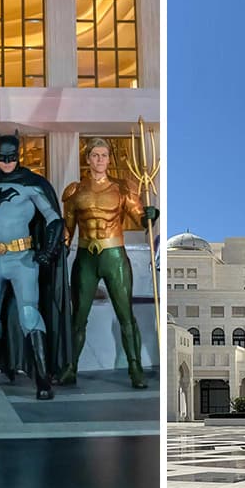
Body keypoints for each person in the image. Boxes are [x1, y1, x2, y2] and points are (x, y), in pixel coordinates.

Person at [0, 131, 70, 400]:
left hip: (23, 259)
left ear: (18, 155)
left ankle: (43, 378)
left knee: (30, 315)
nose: (7, 162)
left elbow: (54, 219)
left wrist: (49, 251)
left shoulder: (32, 184)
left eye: (11, 157)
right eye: (2, 157)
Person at [57, 138, 158, 388]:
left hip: (114, 255)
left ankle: (135, 368)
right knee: (78, 317)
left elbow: (137, 219)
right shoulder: (74, 191)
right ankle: (71, 367)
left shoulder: (123, 189)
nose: (100, 159)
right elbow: (67, 227)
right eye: (95, 155)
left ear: (109, 159)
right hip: (86, 256)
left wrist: (151, 214)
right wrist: (60, 247)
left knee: (126, 315)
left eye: (104, 155)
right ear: (88, 158)